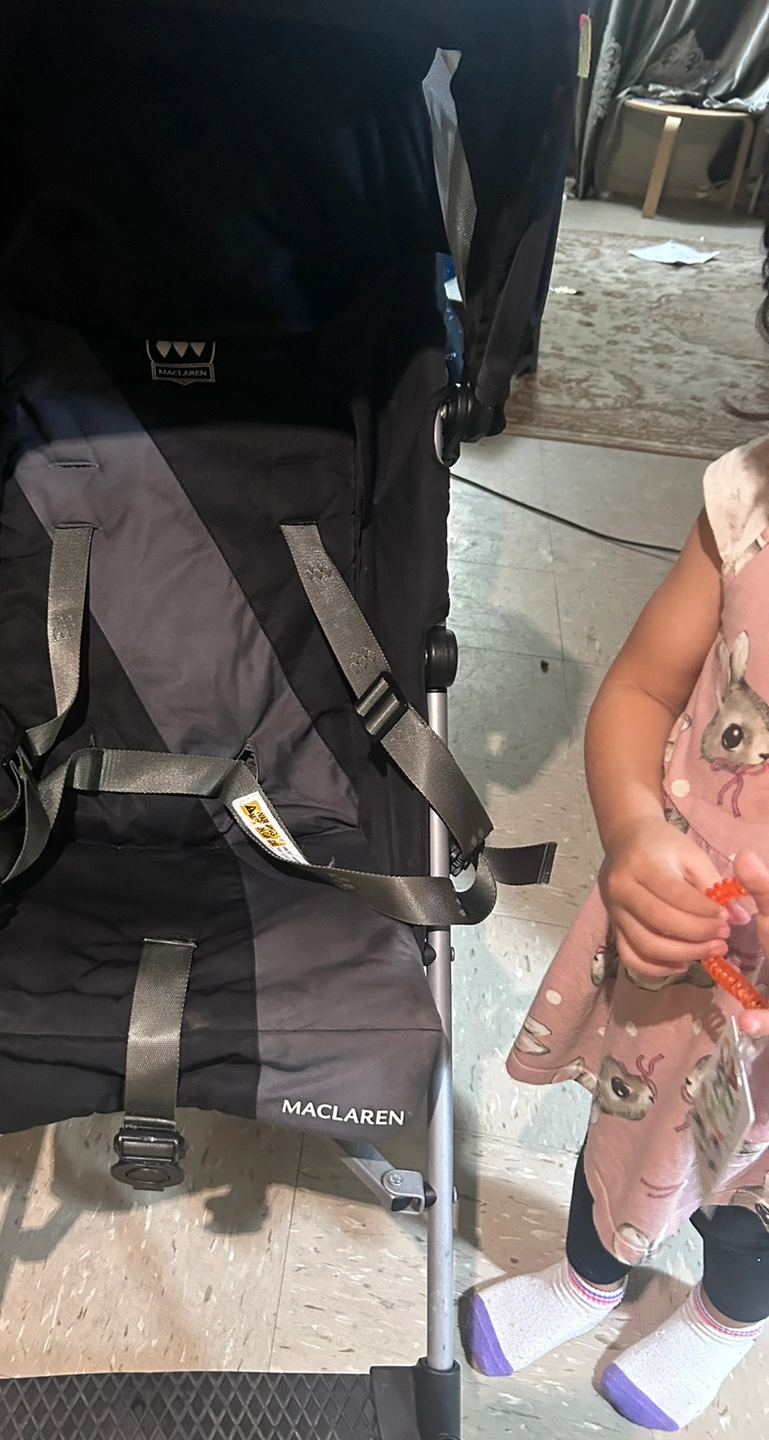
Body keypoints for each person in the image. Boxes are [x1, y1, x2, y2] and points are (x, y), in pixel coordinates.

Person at [463, 222, 769, 1432]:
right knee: (628, 1135)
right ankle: (594, 1272)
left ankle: (729, 1316)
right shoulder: (746, 502)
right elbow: (641, 689)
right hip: (678, 956)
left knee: (756, 1205)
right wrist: (637, 829)